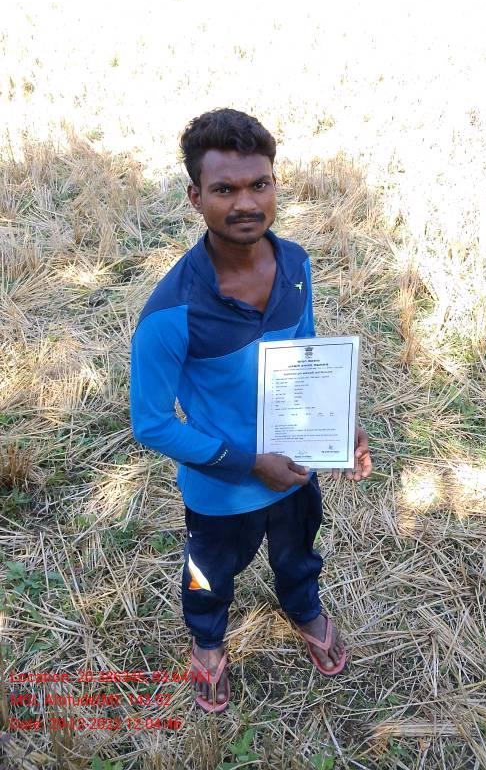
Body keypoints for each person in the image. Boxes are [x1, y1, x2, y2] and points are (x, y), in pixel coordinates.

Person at [130, 108, 372, 713]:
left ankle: (305, 610)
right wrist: (248, 463)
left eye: (258, 184)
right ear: (196, 197)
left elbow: (306, 352)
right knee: (207, 573)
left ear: (274, 183)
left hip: (295, 470)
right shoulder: (170, 313)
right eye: (224, 189)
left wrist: (340, 422)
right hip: (219, 491)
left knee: (299, 554)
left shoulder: (295, 265)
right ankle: (207, 641)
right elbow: (151, 423)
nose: (245, 203)